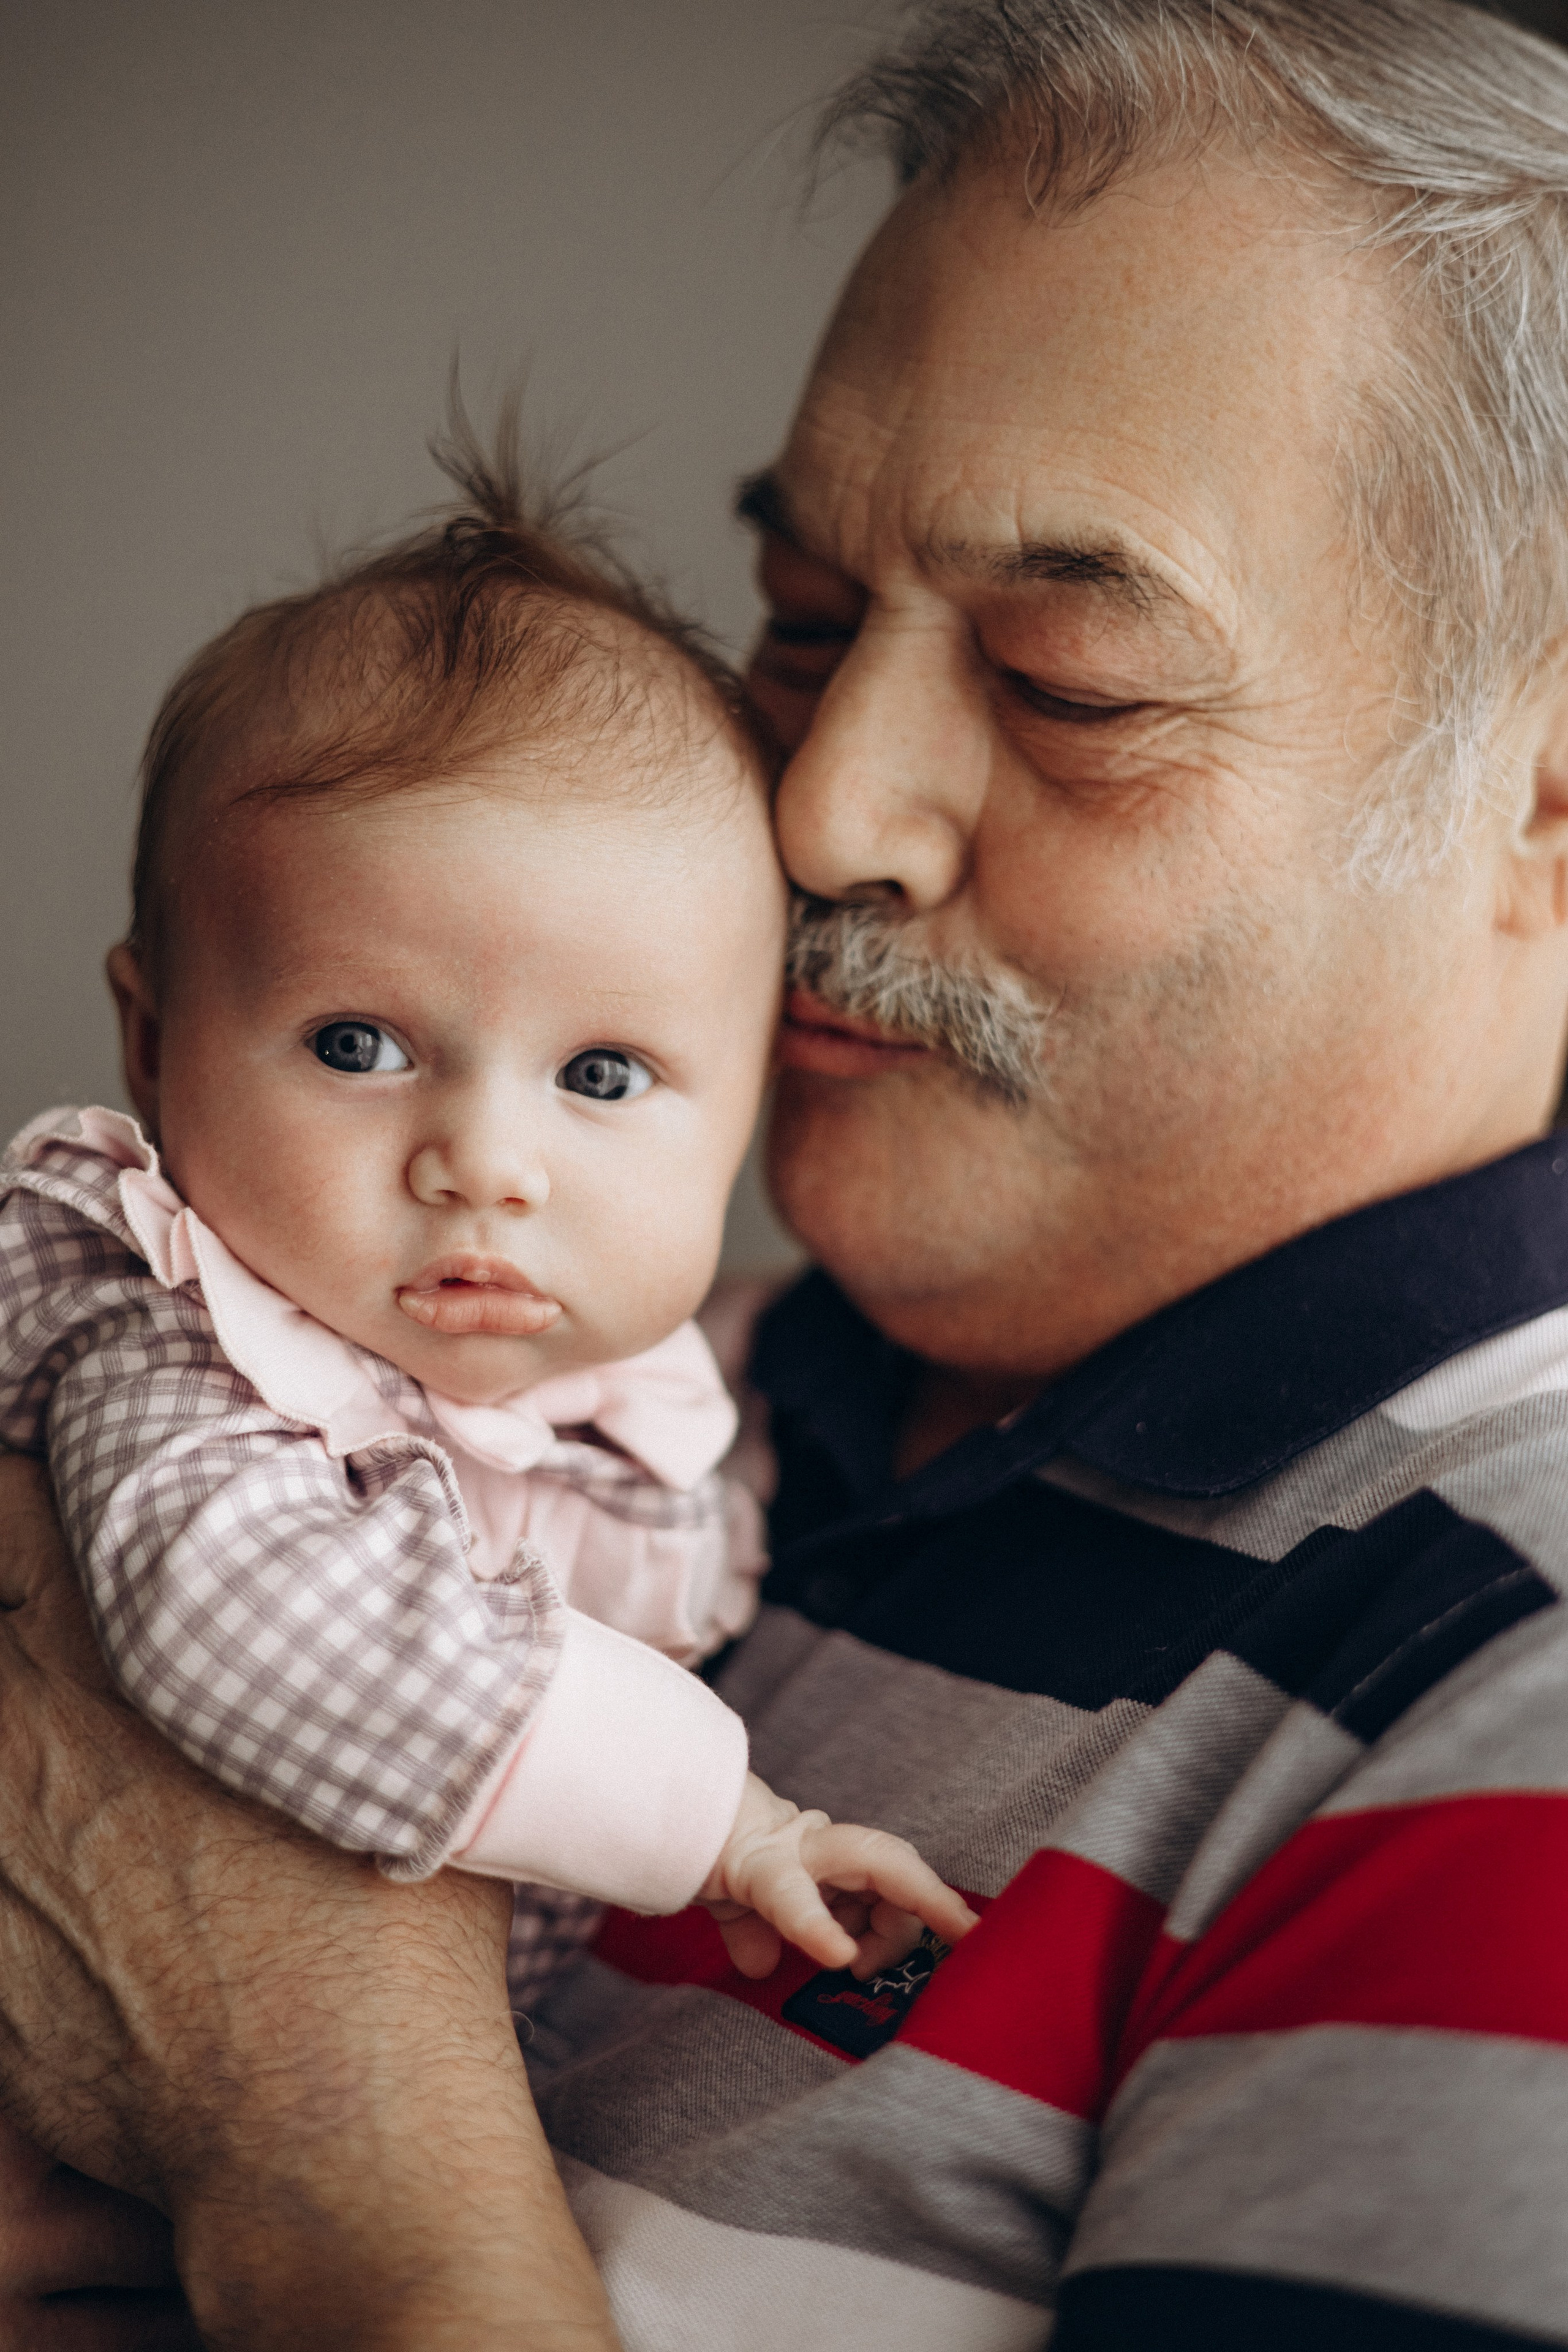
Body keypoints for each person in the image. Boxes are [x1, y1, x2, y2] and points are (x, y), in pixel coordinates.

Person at [7, 0, 1568, 2343]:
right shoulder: (614, 1396)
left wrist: (323, 2130)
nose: (821, 806)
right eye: (807, 623)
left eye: (1067, 687)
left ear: (1546, 797)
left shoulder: (1501, 1690)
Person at [0, 452, 974, 2032]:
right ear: (154, 1039)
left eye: (601, 1075)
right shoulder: (185, 1345)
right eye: (359, 1045)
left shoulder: (669, 1397)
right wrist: (728, 1826)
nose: (486, 1165)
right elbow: (255, 1619)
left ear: (753, 1097)